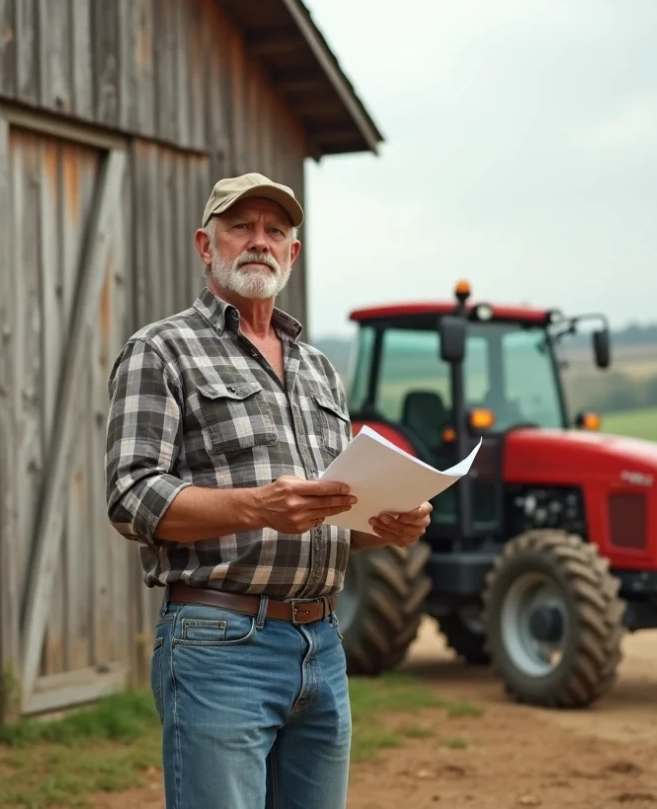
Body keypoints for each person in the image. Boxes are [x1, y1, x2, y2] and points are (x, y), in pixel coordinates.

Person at [104, 171, 433, 809]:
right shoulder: (162, 351)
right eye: (241, 227)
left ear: (292, 252)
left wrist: (381, 526)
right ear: (206, 245)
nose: (259, 241)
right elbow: (130, 496)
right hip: (218, 643)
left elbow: (328, 515)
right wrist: (259, 507)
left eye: (275, 231)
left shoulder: (319, 370)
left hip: (322, 644)